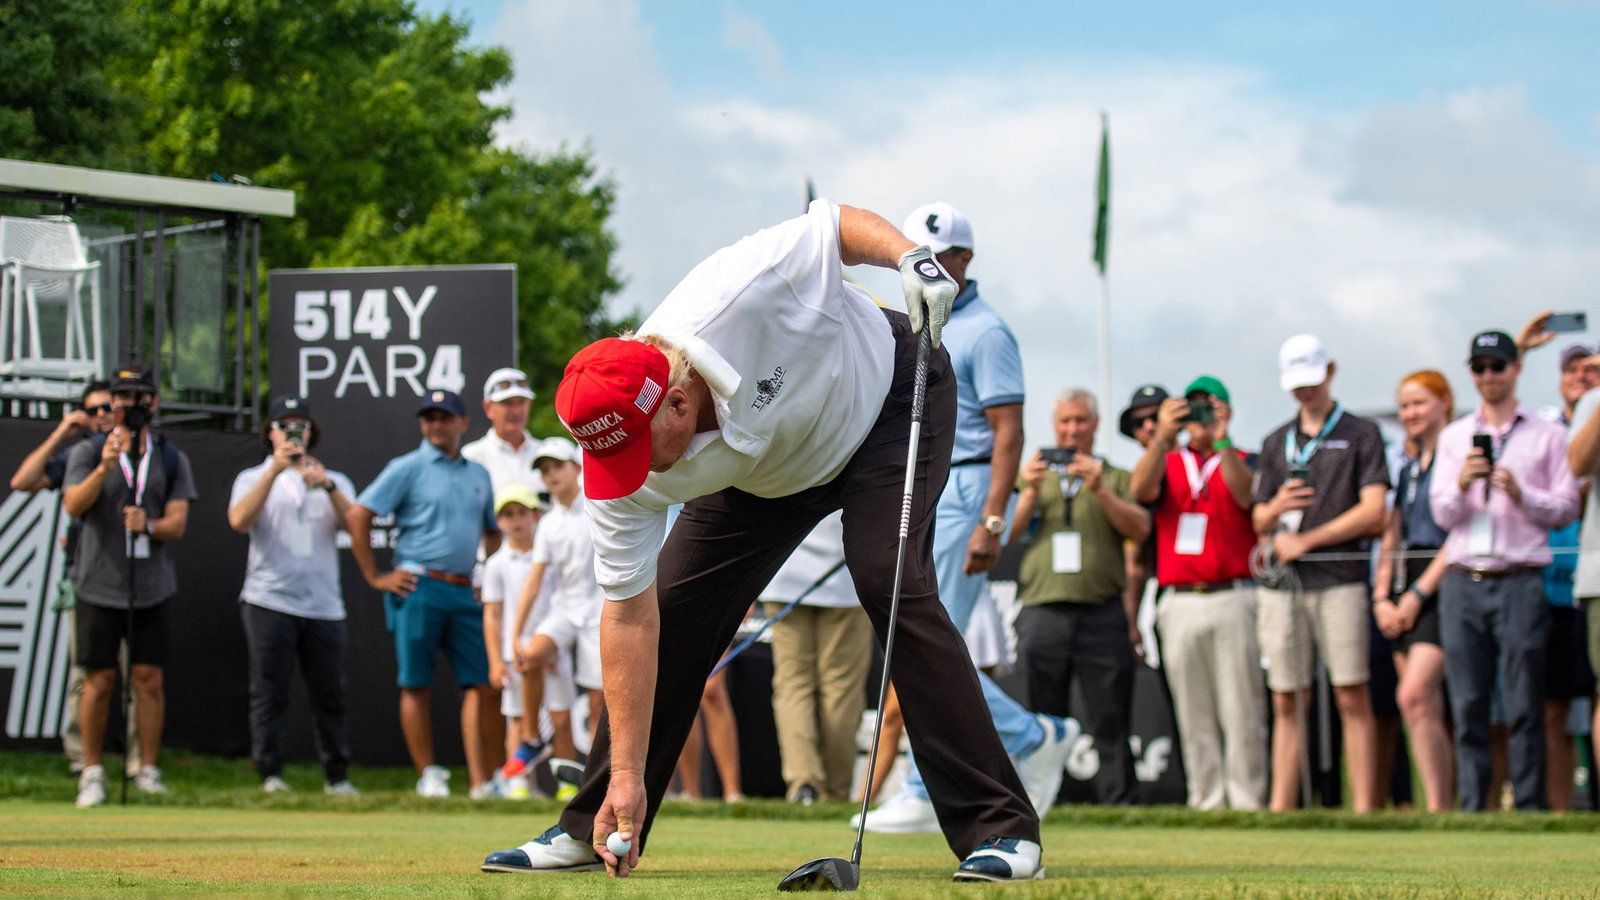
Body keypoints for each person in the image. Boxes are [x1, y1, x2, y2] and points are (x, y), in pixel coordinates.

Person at [482, 199, 1044, 882]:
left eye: (639, 451)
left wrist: (909, 256)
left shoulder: (742, 288)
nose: (633, 475)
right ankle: (601, 820)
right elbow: (628, 618)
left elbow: (836, 224)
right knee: (673, 611)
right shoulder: (620, 462)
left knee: (888, 577)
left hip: (888, 402)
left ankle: (1001, 829)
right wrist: (626, 773)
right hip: (768, 470)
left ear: (679, 403)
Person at [859, 202, 1074, 834]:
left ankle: (931, 783)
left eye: (940, 257)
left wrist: (993, 520)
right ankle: (1025, 737)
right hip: (925, 480)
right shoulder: (915, 322)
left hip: (968, 486)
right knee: (922, 639)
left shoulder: (988, 331)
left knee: (925, 641)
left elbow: (1009, 433)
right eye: (918, 257)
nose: (929, 268)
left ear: (965, 259)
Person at [1431, 330, 1580, 811]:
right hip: (1463, 579)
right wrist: (1462, 483)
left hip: (1520, 579)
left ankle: (1530, 807)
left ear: (1516, 368)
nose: (1488, 375)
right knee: (1468, 702)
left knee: (1524, 703)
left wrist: (1521, 493)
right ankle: (1474, 807)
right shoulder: (1454, 437)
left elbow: (1566, 507)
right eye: (1479, 367)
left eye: (1497, 365)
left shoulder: (1547, 435)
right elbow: (1442, 514)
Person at [1251, 334, 1388, 812]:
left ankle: (1364, 811)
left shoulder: (1362, 433)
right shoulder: (1275, 441)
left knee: (1351, 693)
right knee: (1286, 698)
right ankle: (1280, 811)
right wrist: (1276, 509)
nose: (1304, 391)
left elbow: (1374, 510)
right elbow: (1259, 518)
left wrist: (1308, 540)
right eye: (1296, 383)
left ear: (1329, 372)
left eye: (1311, 380)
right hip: (1283, 586)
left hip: (1341, 578)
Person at [347, 389, 501, 799]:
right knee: (416, 683)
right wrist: (375, 576)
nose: (436, 424)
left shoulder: (479, 474)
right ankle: (428, 775)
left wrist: (488, 574)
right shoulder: (406, 468)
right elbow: (359, 514)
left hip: (464, 590)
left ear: (463, 423)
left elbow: (492, 531)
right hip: (418, 587)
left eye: (445, 417)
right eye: (429, 417)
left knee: (486, 684)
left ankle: (490, 780)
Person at [61, 364, 197, 807]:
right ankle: (92, 772)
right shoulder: (88, 452)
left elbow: (177, 524)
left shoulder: (171, 458)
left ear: (152, 402)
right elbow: (73, 505)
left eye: (139, 397)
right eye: (122, 397)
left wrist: (149, 526)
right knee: (98, 680)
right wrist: (104, 467)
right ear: (112, 403)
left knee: (148, 679)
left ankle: (146, 769)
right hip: (97, 584)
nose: (130, 405)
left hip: (151, 586)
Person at [1129, 376, 1268, 810]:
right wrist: (1163, 435)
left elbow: (1246, 497)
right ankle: (1206, 799)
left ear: (1226, 410)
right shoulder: (1169, 460)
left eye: (1211, 406)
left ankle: (1247, 800)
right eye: (1194, 408)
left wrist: (1222, 439)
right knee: (1193, 711)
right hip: (1180, 598)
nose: (1202, 417)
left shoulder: (1244, 458)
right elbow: (1139, 490)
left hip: (1233, 594)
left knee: (1242, 706)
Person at [1009, 388, 1150, 805]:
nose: (1072, 430)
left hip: (1101, 611)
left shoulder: (1116, 476)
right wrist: (1029, 491)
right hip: (1042, 610)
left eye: (1080, 421)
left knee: (1110, 715)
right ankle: (1044, 801)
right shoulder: (1031, 476)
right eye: (1065, 422)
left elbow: (1140, 529)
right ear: (1054, 426)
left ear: (1096, 424)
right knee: (1042, 717)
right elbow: (1007, 534)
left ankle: (1119, 803)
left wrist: (1100, 489)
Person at [227, 397, 359, 795]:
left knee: (330, 694)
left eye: (300, 426)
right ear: (270, 433)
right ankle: (269, 773)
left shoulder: (333, 479)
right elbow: (239, 520)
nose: (292, 433)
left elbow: (356, 527)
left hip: (323, 604)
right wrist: (275, 470)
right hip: (269, 599)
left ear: (311, 432)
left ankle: (337, 777)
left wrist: (328, 486)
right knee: (270, 691)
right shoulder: (252, 477)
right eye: (284, 426)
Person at [7, 381, 129, 777]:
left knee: (139, 675)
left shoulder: (144, 451)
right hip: (87, 580)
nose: (102, 415)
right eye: (93, 411)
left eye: (108, 407)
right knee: (87, 674)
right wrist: (62, 432)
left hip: (135, 578)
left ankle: (139, 766)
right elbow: (22, 481)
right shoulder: (81, 454)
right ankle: (82, 762)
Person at [1371, 370, 1456, 812]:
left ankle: (1440, 807)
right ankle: (1436, 805)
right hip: (1402, 581)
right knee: (1420, 705)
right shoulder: (1406, 467)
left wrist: (1418, 595)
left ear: (1445, 402)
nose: (1411, 413)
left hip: (1440, 581)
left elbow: (1458, 535)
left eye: (1420, 403)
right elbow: (1393, 532)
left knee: (1415, 695)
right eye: (1405, 406)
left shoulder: (1454, 458)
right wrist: (1381, 595)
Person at [508, 437, 607, 798]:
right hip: (565, 609)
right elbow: (535, 580)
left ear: (577, 468)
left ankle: (596, 779)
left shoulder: (600, 506)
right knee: (530, 655)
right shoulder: (548, 523)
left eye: (557, 467)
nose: (551, 475)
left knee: (598, 702)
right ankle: (532, 738)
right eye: (545, 470)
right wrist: (516, 634)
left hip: (600, 611)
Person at [760, 511, 870, 805]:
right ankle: (834, 792)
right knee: (841, 690)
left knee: (793, 685)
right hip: (846, 579)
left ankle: (804, 784)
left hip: (786, 576)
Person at [480, 482, 546, 799]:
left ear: (535, 515)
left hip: (549, 651)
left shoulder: (547, 557)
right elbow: (492, 615)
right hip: (513, 655)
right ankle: (518, 784)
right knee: (517, 717)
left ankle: (564, 786)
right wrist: (496, 660)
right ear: (499, 521)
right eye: (508, 515)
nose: (516, 520)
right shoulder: (495, 564)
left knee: (558, 717)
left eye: (522, 512)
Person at [462, 367, 546, 494]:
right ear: (488, 408)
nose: (516, 411)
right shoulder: (472, 457)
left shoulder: (547, 453)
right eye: (507, 403)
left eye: (521, 402)